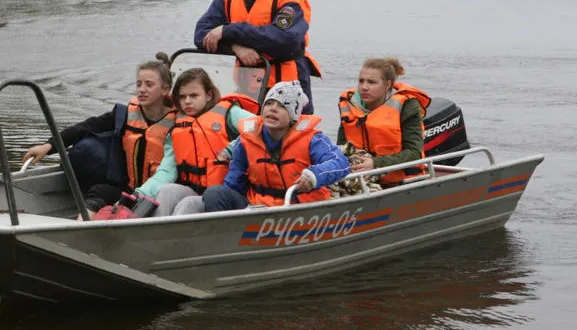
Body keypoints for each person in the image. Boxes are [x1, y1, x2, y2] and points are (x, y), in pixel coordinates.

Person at [22, 54, 175, 212]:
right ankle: (81, 228)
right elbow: (87, 127)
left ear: (165, 89)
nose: (142, 90)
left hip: (160, 193)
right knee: (97, 194)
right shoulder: (125, 115)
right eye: (139, 84)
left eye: (149, 85)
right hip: (129, 189)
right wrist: (49, 146)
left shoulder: (180, 123)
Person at [193, 0, 322, 113]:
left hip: (288, 87)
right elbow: (201, 35)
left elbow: (284, 38)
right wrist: (235, 47)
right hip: (246, 87)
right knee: (244, 136)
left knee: (294, 139)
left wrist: (229, 30)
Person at [204, 81, 349, 212]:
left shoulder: (313, 140)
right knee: (215, 194)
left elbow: (341, 163)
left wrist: (313, 176)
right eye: (269, 103)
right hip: (258, 207)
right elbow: (233, 183)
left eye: (282, 106)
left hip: (302, 209)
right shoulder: (245, 142)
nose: (273, 109)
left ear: (293, 116)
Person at [134, 68, 259, 216]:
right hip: (196, 190)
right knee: (167, 190)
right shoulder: (179, 127)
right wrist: (139, 194)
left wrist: (231, 149)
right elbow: (166, 172)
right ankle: (153, 234)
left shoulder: (228, 113)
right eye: (182, 96)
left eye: (193, 95)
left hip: (226, 194)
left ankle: (172, 237)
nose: (187, 101)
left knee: (189, 203)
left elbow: (258, 126)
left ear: (208, 95)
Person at [337, 57, 431, 186]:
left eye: (371, 82)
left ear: (387, 85)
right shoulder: (348, 104)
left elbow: (414, 153)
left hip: (401, 181)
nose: (364, 87)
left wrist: (375, 163)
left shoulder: (407, 105)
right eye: (361, 81)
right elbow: (341, 146)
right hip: (359, 178)